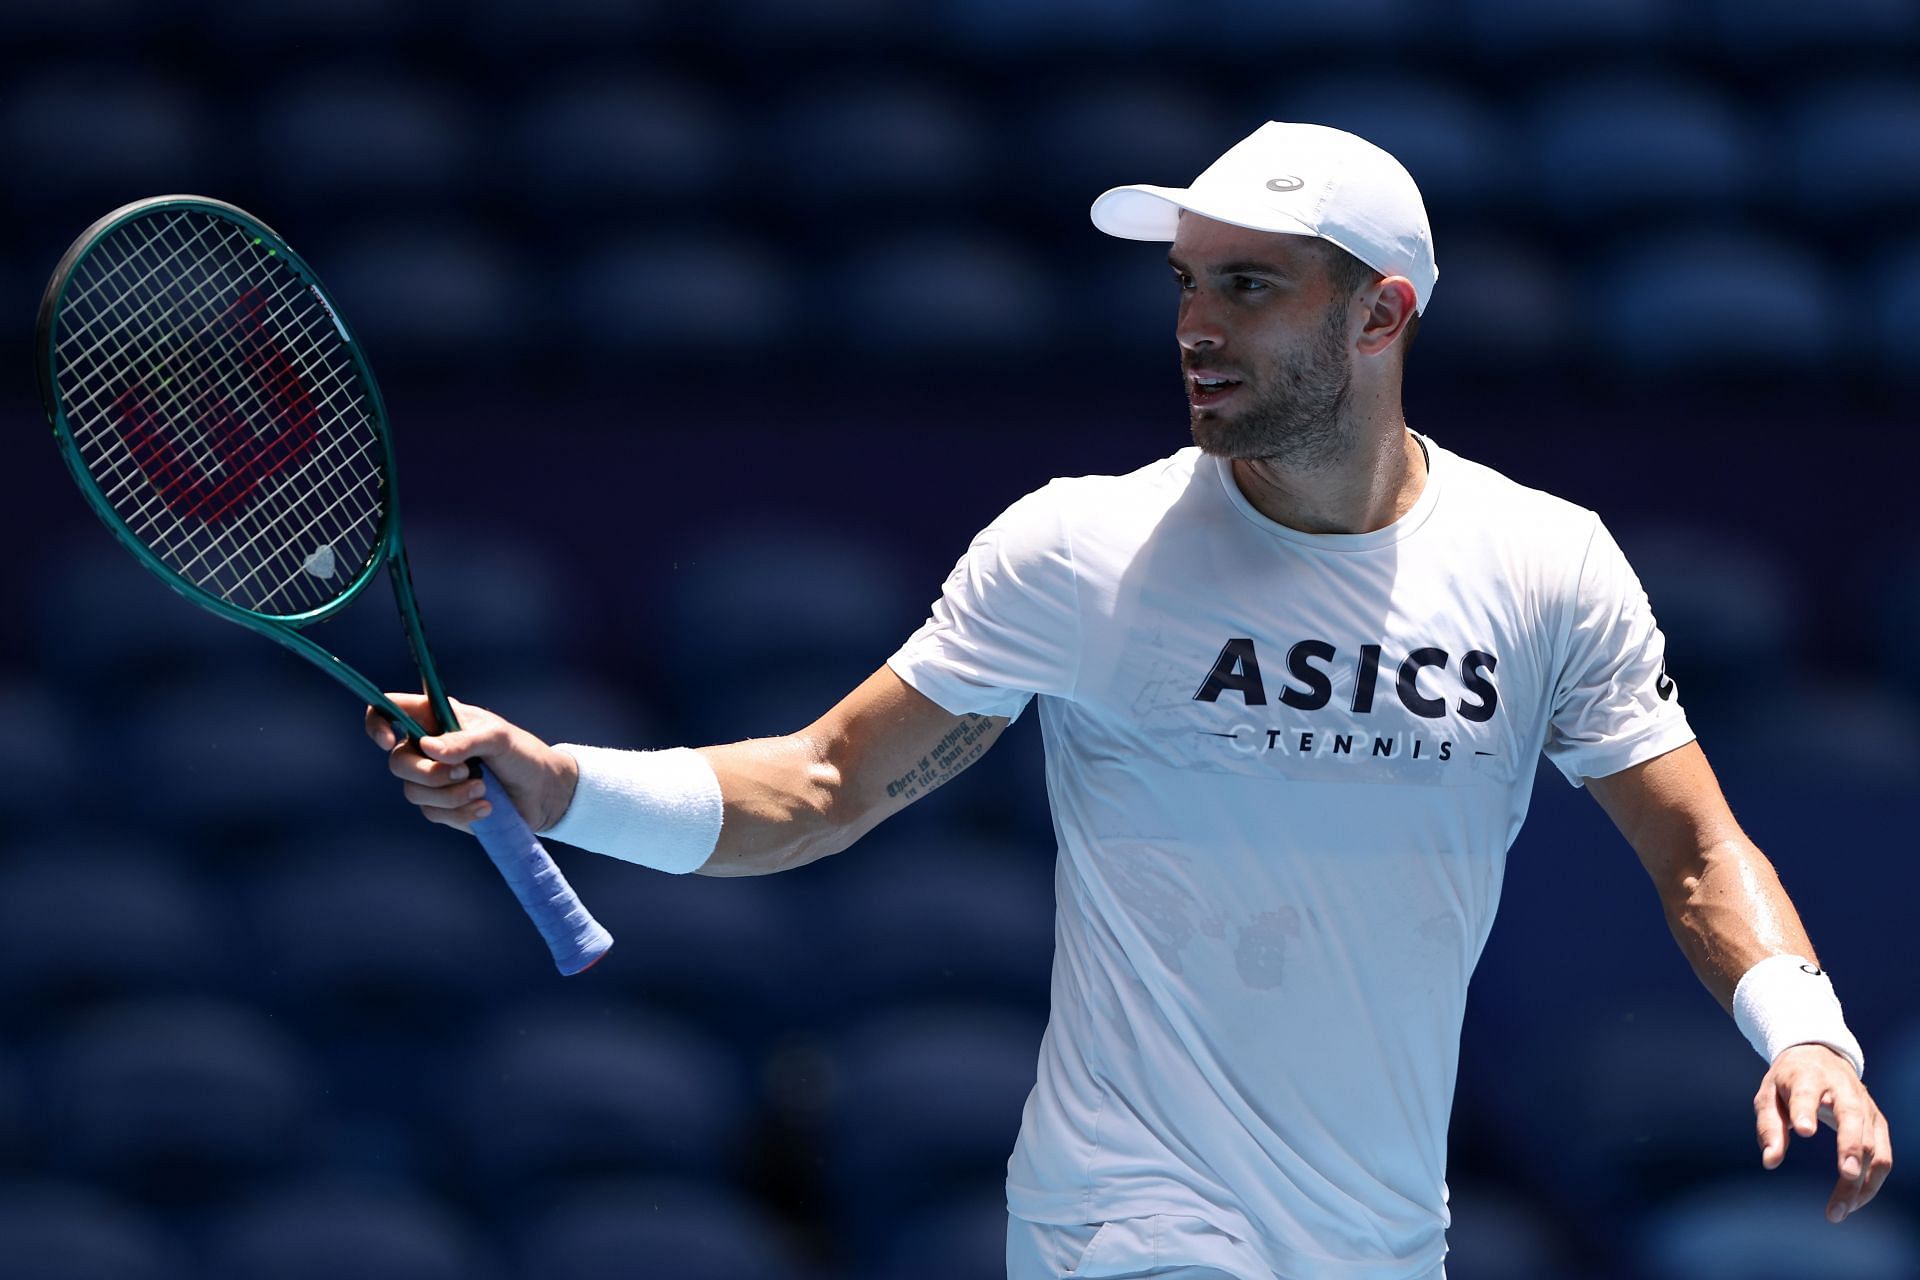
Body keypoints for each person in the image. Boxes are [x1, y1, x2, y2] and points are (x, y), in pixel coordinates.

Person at [366, 122, 1892, 1279]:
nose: (1196, 325)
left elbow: (1695, 849)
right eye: (1183, 283)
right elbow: (825, 787)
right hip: (1129, 1218)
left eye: (1250, 285)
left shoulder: (1546, 568)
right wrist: (562, 781)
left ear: (1384, 314)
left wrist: (1803, 1034)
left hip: (1377, 1236)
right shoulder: (1079, 552)